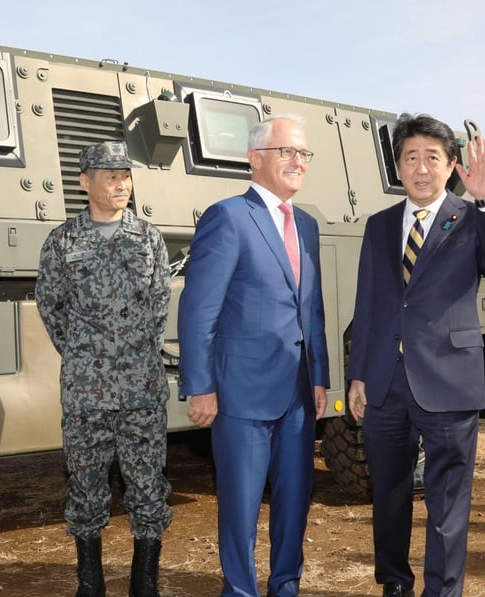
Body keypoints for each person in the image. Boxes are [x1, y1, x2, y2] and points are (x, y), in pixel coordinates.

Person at [346, 113, 485, 597]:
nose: (420, 168)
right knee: (388, 494)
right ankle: (394, 583)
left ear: (450, 166)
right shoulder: (379, 225)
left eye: (432, 158)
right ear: (397, 167)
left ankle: (442, 591)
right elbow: (367, 303)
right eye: (410, 157)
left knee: (447, 500)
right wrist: (358, 375)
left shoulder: (472, 217)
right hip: (384, 382)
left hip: (449, 379)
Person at [177, 115, 330, 597]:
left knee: (295, 503)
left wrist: (320, 377)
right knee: (240, 509)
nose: (297, 161)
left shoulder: (307, 225)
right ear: (254, 159)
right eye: (286, 151)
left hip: (299, 394)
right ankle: (240, 591)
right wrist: (201, 386)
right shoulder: (227, 217)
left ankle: (286, 586)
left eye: (303, 153)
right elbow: (199, 309)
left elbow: (312, 309)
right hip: (241, 395)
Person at [36, 141, 172, 597]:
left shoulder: (148, 238)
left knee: (148, 485)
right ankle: (89, 584)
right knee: (85, 484)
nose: (121, 184)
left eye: (126, 175)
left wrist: (134, 354)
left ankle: (144, 583)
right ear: (85, 181)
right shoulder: (63, 241)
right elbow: (51, 306)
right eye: (111, 176)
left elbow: (158, 306)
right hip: (86, 392)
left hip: (141, 388)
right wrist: (83, 354)